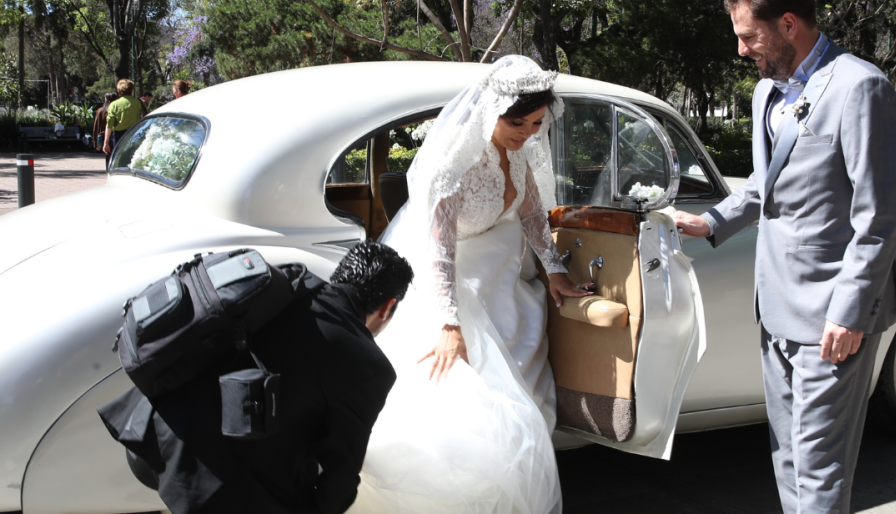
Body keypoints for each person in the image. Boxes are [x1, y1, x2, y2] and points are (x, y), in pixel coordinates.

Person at [672, 0, 896, 514]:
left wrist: (850, 312)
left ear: (788, 24)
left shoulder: (861, 87)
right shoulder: (765, 94)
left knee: (820, 465)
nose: (740, 50)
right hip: (776, 305)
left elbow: (879, 216)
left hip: (833, 314)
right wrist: (712, 221)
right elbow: (767, 180)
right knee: (787, 456)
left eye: (747, 35)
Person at [347, 55, 588, 514]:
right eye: (518, 122)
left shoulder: (519, 152)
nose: (528, 133)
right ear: (491, 110)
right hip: (452, 284)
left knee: (526, 399)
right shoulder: (452, 166)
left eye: (538, 122)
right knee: (472, 408)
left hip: (507, 277)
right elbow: (438, 252)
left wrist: (556, 270)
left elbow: (534, 213)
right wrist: (449, 325)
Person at [98, 241, 413, 514]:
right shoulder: (370, 366)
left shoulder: (288, 282)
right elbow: (340, 476)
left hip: (148, 432)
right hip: (202, 477)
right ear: (387, 307)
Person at [103, 79, 143, 163]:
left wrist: (106, 142)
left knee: (119, 160)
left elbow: (109, 125)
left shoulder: (114, 105)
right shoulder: (138, 103)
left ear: (119, 91)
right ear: (131, 90)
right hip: (134, 134)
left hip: (119, 136)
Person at [93, 91, 118, 162]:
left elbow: (97, 126)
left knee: (109, 159)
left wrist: (95, 143)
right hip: (117, 136)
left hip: (106, 138)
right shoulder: (118, 110)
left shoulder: (101, 111)